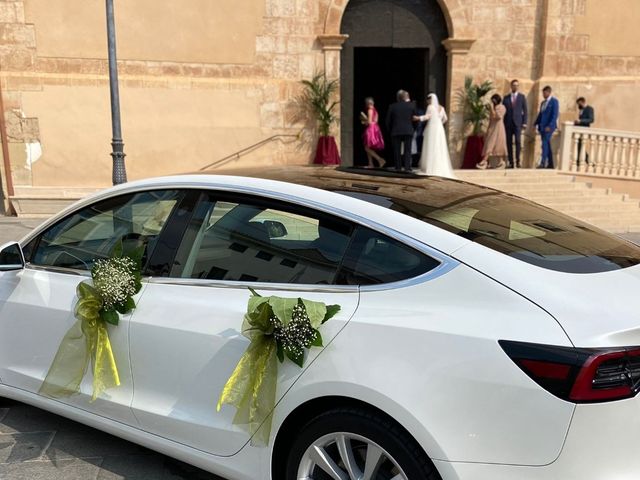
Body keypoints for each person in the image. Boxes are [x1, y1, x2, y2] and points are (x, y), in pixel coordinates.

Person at [415, 93, 454, 178]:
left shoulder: (430, 107)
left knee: (431, 146)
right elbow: (445, 118)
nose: (427, 102)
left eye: (427, 100)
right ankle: (439, 165)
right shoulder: (442, 108)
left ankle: (430, 167)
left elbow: (427, 116)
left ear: (430, 100)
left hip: (432, 128)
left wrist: (418, 118)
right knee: (439, 146)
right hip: (439, 129)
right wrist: (439, 123)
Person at [386, 90, 417, 172]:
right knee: (407, 150)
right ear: (404, 97)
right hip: (408, 130)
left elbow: (388, 121)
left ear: (398, 98)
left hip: (396, 131)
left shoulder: (392, 106)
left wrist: (390, 130)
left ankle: (398, 167)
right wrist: (413, 129)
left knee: (397, 150)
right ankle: (407, 167)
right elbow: (415, 119)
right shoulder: (411, 106)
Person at [476, 94, 508, 169]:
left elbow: (497, 117)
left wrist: (491, 109)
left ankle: (484, 161)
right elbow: (491, 119)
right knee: (490, 144)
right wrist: (488, 129)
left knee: (495, 145)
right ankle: (499, 162)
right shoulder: (494, 108)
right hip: (492, 128)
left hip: (498, 128)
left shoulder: (502, 107)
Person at [502, 79, 528, 168]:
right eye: (514, 85)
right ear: (511, 86)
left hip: (518, 123)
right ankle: (511, 162)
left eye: (517, 85)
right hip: (508, 124)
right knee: (508, 142)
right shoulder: (506, 98)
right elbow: (503, 112)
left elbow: (525, 110)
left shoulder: (522, 97)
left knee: (518, 142)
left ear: (518, 86)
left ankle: (518, 161)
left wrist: (524, 122)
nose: (515, 87)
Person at [534, 85, 559, 169]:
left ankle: (543, 162)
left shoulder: (554, 101)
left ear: (548, 92)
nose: (543, 94)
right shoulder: (543, 103)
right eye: (542, 93)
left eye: (544, 93)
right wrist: (535, 123)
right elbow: (540, 114)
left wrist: (550, 125)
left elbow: (555, 115)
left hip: (549, 127)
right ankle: (551, 164)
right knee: (546, 144)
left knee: (544, 144)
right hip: (542, 127)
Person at [361, 97, 386, 168]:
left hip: (370, 129)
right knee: (368, 147)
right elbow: (376, 121)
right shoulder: (375, 110)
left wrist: (364, 122)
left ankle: (380, 159)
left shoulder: (370, 110)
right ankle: (371, 163)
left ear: (367, 103)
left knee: (366, 148)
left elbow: (369, 122)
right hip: (375, 128)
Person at [574, 97, 595, 166]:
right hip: (579, 130)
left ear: (583, 102)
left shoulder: (590, 109)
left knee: (581, 146)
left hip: (584, 130)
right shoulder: (581, 110)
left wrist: (581, 121)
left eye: (579, 104)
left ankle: (587, 161)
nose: (578, 105)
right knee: (579, 146)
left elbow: (591, 119)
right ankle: (586, 161)